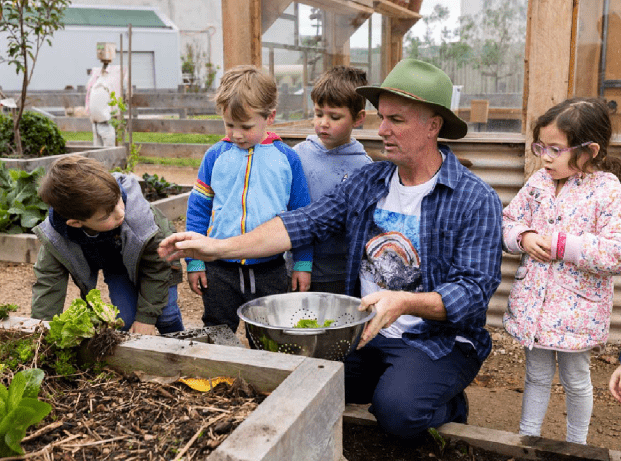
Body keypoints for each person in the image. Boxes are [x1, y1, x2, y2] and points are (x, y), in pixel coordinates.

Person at [160, 58, 503, 442]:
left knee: (397, 414)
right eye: (381, 117)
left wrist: (404, 302)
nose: (383, 129)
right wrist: (217, 247)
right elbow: (301, 223)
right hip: (365, 331)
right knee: (303, 384)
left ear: (433, 125)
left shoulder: (475, 199)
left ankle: (449, 404)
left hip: (433, 338)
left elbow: (473, 292)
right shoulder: (368, 181)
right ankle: (395, 384)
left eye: (397, 120)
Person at [501, 97, 621, 444]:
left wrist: (560, 245)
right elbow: (507, 220)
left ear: (589, 151)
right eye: (541, 147)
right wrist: (522, 238)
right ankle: (527, 439)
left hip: (577, 312)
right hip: (534, 306)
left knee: (576, 379)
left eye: (556, 149)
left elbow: (615, 251)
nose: (546, 157)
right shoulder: (538, 182)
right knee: (536, 375)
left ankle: (576, 444)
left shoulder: (607, 190)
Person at [185, 64, 312, 336]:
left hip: (270, 268)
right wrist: (195, 260)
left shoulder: (287, 160)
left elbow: (302, 218)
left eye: (246, 126)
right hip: (219, 269)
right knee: (218, 331)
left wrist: (302, 263)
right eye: (229, 124)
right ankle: (221, 376)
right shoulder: (215, 156)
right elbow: (198, 210)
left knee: (270, 335)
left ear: (271, 117)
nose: (237, 134)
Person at [31, 155, 185, 336]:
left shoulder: (141, 223)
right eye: (106, 216)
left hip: (158, 260)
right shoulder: (56, 237)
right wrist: (41, 333)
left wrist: (146, 318)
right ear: (76, 223)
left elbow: (158, 267)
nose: (121, 213)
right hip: (117, 265)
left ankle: (180, 347)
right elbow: (48, 284)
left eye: (118, 200)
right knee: (125, 321)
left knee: (166, 315)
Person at [290, 65, 372, 294]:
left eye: (334, 117)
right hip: (295, 266)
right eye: (318, 114)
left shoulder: (363, 166)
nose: (323, 122)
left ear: (358, 119)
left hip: (340, 272)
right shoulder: (296, 155)